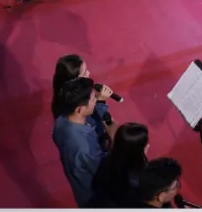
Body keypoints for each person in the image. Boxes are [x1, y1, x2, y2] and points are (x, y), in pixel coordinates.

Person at [53, 77, 110, 207]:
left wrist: (100, 104)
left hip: (80, 188)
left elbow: (91, 123)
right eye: (93, 98)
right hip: (95, 198)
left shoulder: (60, 122)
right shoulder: (84, 148)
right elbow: (105, 171)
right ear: (80, 109)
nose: (96, 99)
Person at [91, 122, 149, 207]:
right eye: (145, 144)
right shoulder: (136, 178)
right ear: (136, 149)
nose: (148, 146)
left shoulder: (108, 159)